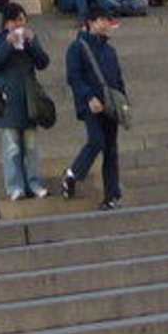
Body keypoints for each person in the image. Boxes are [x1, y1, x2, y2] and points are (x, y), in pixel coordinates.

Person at [0, 3, 52, 198]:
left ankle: (34, 183)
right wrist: (8, 44)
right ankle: (15, 186)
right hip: (7, 98)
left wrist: (32, 43)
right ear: (7, 23)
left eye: (22, 20)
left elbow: (43, 62)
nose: (19, 24)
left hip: (28, 97)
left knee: (31, 146)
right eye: (15, 21)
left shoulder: (30, 39)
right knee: (12, 147)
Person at [61, 12, 125, 209]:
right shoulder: (77, 47)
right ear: (91, 23)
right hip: (91, 105)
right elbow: (74, 77)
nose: (106, 24)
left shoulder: (109, 50)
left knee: (111, 149)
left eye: (107, 20)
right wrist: (88, 96)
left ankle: (111, 195)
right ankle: (73, 173)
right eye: (102, 20)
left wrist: (123, 101)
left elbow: (117, 77)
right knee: (96, 141)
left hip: (110, 104)